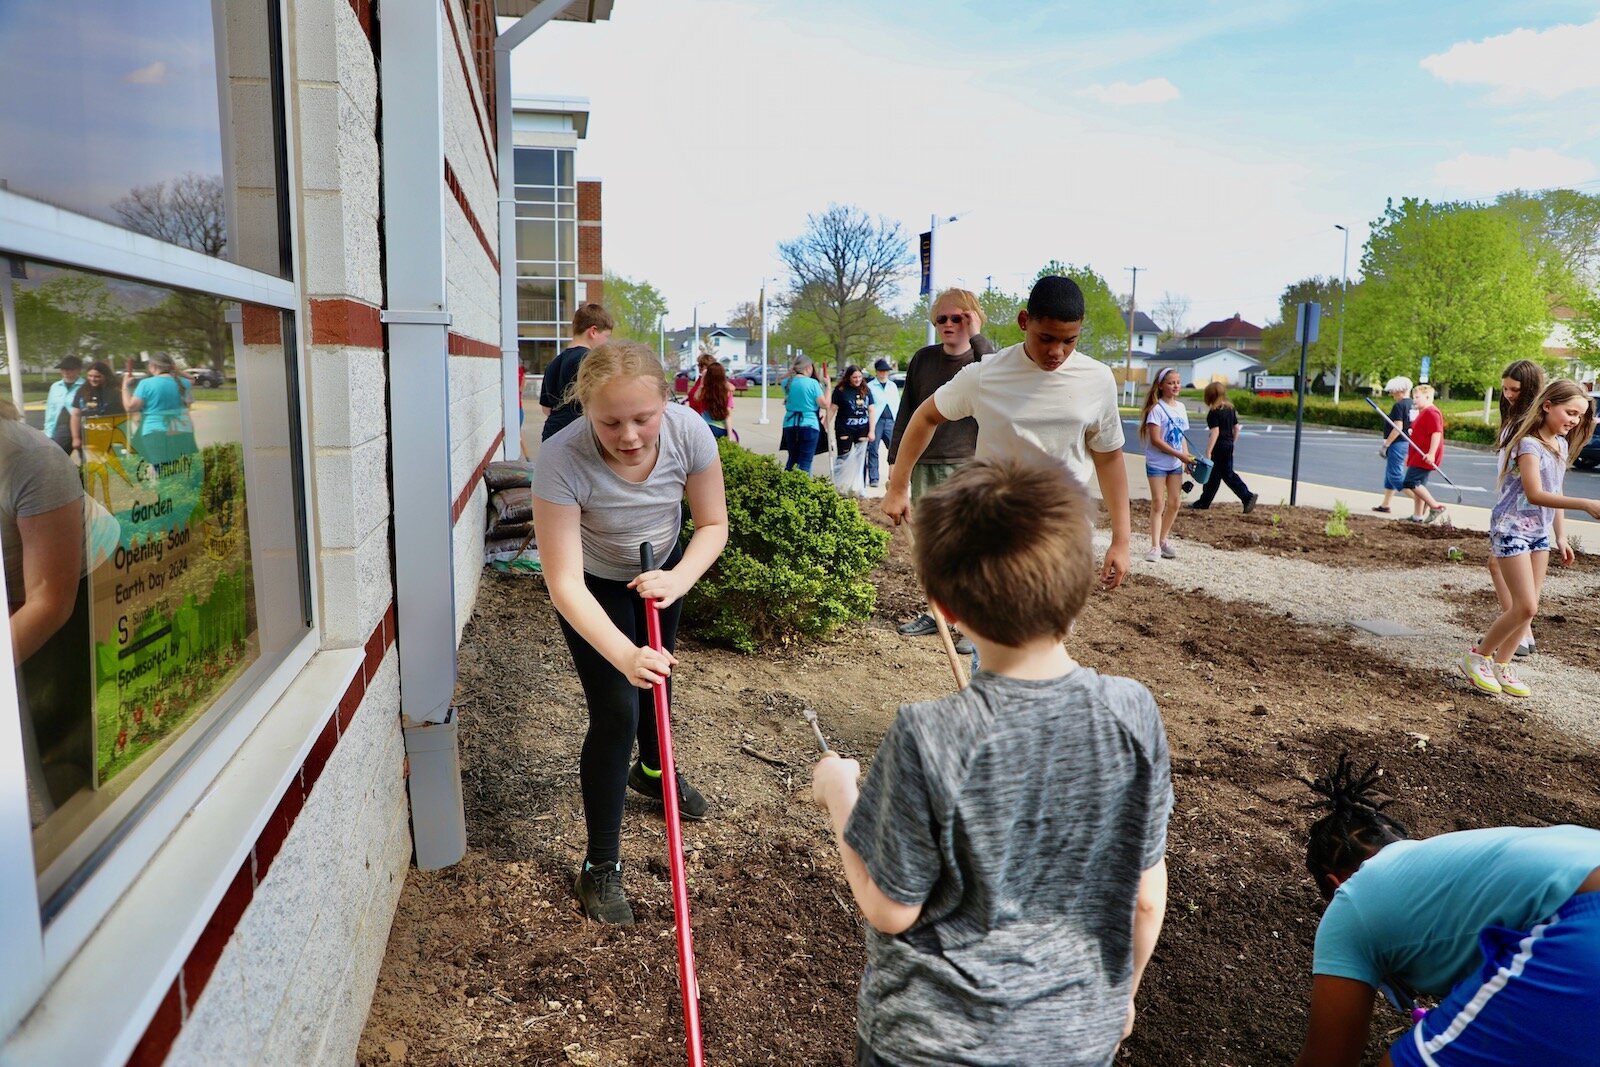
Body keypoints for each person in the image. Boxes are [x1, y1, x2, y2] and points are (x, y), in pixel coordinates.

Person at [812, 456, 1171, 1066]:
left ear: (942, 608)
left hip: (928, 1045)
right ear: (1081, 589)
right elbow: (1144, 897)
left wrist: (840, 794)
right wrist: (1123, 997)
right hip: (1075, 1037)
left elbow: (891, 909)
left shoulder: (929, 734)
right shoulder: (1133, 713)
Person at [530, 341, 729, 924]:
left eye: (642, 418)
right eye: (610, 421)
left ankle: (654, 770)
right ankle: (599, 865)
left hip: (662, 573)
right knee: (618, 705)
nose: (630, 435)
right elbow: (563, 580)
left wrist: (679, 578)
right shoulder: (561, 457)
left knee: (657, 690)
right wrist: (621, 652)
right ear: (585, 408)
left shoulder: (690, 432)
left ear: (666, 402)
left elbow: (713, 523)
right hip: (593, 586)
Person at [1293, 755, 1600, 1067]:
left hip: (1584, 923)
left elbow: (1329, 1058)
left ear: (1335, 884)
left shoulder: (1351, 899)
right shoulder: (1452, 863)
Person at [884, 275, 1134, 590]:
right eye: (1046, 338)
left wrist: (1121, 541)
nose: (1057, 351)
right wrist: (898, 487)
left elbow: (1109, 457)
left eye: (1069, 340)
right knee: (1005, 632)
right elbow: (925, 417)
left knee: (1044, 632)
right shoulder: (986, 374)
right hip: (995, 534)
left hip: (1063, 535)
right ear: (1023, 321)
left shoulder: (1097, 380)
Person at [1460, 379, 1599, 699]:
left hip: (1537, 532)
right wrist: (1587, 505)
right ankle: (1478, 657)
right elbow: (1536, 494)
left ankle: (1503, 665)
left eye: (1579, 416)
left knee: (1529, 610)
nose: (1574, 421)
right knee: (1525, 605)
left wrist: (1561, 536)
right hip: (1511, 528)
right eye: (1570, 412)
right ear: (1547, 405)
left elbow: (1556, 491)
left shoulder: (1560, 445)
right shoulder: (1528, 446)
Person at [2, 397, 90, 827]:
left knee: (62, 748)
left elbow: (50, 602)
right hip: (19, 595)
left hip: (75, 596)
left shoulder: (31, 459)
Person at [889, 288, 985, 649]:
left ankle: (973, 625)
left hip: (968, 465)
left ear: (973, 318)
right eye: (942, 318)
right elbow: (908, 413)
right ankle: (938, 614)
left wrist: (976, 336)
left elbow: (997, 379)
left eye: (958, 317)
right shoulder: (923, 360)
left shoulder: (984, 361)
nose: (948, 324)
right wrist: (896, 469)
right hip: (924, 465)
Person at [1487, 360, 1545, 658]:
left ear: (1530, 390)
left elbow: (1545, 482)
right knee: (1503, 570)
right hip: (1512, 509)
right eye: (1505, 388)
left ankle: (1518, 634)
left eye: (1515, 389)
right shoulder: (1514, 418)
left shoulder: (1531, 427)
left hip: (1520, 514)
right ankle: (1523, 632)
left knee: (1508, 574)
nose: (1508, 394)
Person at [1138, 368, 1195, 561]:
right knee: (1158, 503)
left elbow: (1182, 437)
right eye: (1171, 383)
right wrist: (1180, 455)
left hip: (1175, 463)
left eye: (1178, 382)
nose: (1176, 386)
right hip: (1157, 463)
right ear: (1161, 386)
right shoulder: (1157, 409)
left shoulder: (1181, 408)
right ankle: (1154, 546)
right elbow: (1156, 440)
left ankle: (1163, 540)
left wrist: (1186, 458)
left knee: (1175, 503)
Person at [538, 303, 616, 441]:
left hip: (551, 436)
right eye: (606, 336)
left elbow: (546, 409)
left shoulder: (553, 363)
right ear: (593, 331)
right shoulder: (590, 360)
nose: (607, 342)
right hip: (579, 438)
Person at [1188, 382, 1257, 513]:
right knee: (1222, 474)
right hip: (1228, 445)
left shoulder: (1214, 412)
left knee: (1218, 475)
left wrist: (1208, 451)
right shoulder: (1230, 409)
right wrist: (1232, 443)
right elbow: (1236, 428)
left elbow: (1215, 432)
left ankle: (1246, 496)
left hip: (1218, 447)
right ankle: (1205, 501)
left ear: (1209, 397)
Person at [121, 353, 195, 464]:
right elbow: (191, 379)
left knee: (160, 466)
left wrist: (124, 386)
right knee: (180, 467)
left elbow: (130, 406)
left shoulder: (146, 384)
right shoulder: (184, 383)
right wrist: (176, 371)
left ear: (153, 366)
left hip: (156, 431)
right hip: (182, 429)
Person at [1402, 384, 1447, 524]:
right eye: (1413, 397)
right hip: (1418, 455)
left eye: (1417, 397)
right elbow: (1416, 437)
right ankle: (1417, 515)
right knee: (1419, 485)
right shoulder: (1422, 413)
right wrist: (1409, 455)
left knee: (1411, 482)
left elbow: (1436, 433)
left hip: (1425, 456)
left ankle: (1435, 506)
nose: (1414, 400)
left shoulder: (1432, 412)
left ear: (1427, 397)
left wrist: (1431, 453)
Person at [829, 364, 875, 495]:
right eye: (855, 377)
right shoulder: (841, 390)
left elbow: (871, 410)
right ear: (849, 377)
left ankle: (861, 487)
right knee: (844, 457)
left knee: (861, 459)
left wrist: (872, 431)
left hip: (862, 429)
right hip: (844, 428)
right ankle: (840, 487)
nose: (858, 379)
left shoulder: (866, 389)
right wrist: (825, 424)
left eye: (860, 377)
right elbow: (833, 408)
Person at [1372, 376, 1413, 513]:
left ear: (1399, 391)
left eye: (1393, 392)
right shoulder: (1412, 405)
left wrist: (1386, 445)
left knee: (1395, 476)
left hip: (1397, 443)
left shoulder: (1399, 405)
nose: (1391, 395)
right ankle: (1385, 504)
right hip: (1408, 442)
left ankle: (1420, 500)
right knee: (1390, 475)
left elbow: (1398, 428)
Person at [781, 355, 827, 474]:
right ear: (808, 367)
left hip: (790, 423)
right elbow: (824, 404)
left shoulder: (787, 382)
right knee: (805, 462)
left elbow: (783, 379)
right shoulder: (812, 383)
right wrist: (829, 388)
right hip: (808, 423)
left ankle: (787, 485)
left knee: (792, 459)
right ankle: (803, 487)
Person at [69, 360, 124, 457]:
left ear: (106, 376)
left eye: (97, 376)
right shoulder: (82, 391)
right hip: (88, 438)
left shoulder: (116, 392)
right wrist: (75, 438)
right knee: (90, 469)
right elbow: (76, 415)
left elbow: (124, 417)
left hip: (111, 439)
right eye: (90, 376)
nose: (93, 379)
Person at [865, 358, 899, 489]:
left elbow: (897, 403)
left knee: (894, 449)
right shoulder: (871, 386)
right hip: (876, 420)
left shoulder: (893, 386)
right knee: (873, 449)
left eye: (886, 371)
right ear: (877, 372)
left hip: (891, 420)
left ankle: (895, 476)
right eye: (881, 371)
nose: (884, 373)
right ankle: (874, 477)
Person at [44, 356, 84, 454]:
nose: (66, 372)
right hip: (61, 428)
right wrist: (48, 431)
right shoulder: (55, 387)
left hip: (82, 427)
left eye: (70, 369)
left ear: (78, 370)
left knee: (88, 461)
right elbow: (50, 410)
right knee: (58, 458)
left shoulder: (85, 386)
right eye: (63, 369)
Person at [697, 360, 735, 439]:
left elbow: (696, 397)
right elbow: (728, 415)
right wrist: (730, 435)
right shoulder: (727, 392)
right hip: (721, 428)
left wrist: (702, 381)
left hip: (706, 427)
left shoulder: (705, 391)